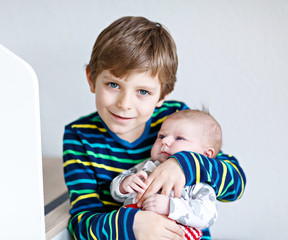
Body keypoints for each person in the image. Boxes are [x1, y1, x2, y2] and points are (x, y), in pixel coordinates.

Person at [63, 16, 246, 240]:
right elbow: (82, 222)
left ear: (162, 95)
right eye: (113, 84)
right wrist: (133, 225)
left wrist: (184, 164)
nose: (125, 103)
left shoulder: (175, 119)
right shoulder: (80, 136)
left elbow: (236, 184)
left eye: (143, 92)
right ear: (91, 79)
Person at [110, 109, 222, 239]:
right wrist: (124, 184)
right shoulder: (147, 166)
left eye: (179, 138)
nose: (164, 141)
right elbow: (115, 193)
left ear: (205, 155)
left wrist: (171, 206)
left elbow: (208, 215)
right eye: (161, 136)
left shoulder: (199, 182)